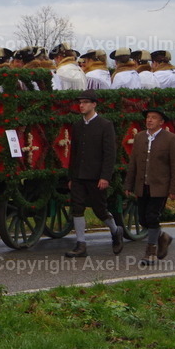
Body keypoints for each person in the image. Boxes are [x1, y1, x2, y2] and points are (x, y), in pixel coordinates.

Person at [64, 89, 124, 257]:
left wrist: (105, 176)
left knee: (100, 209)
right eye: (80, 103)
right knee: (77, 208)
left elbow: (109, 153)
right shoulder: (77, 125)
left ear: (94, 104)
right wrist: (71, 176)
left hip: (96, 175)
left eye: (85, 103)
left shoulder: (105, 125)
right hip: (78, 175)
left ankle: (115, 230)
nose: (81, 106)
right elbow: (74, 153)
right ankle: (81, 244)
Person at [124, 107, 175, 266]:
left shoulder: (171, 139)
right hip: (142, 185)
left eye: (154, 118)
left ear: (161, 122)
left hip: (160, 186)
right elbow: (133, 163)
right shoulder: (140, 137)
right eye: (148, 117)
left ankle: (150, 252)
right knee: (143, 219)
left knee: (152, 216)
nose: (149, 120)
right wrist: (129, 184)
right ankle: (163, 237)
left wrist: (174, 189)